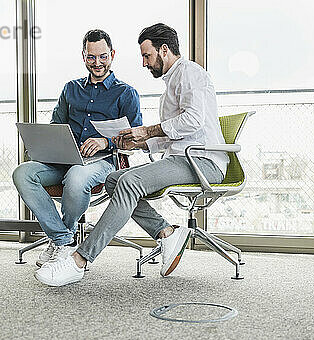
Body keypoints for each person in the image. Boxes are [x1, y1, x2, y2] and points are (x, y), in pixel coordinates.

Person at [34, 23, 229, 287]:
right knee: (115, 179)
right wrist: (138, 142)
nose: (145, 63)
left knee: (129, 182)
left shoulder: (190, 73)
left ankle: (79, 260)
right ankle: (166, 233)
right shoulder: (172, 81)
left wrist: (148, 131)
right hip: (182, 156)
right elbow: (175, 134)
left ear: (164, 50)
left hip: (202, 161)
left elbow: (192, 121)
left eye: (147, 56)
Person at [13, 29, 142, 267]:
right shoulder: (71, 89)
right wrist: (48, 144)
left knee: (76, 176)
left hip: (102, 162)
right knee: (22, 173)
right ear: (84, 56)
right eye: (91, 57)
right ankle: (62, 239)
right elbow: (56, 125)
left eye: (103, 56)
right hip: (64, 158)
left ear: (112, 55)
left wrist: (106, 141)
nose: (97, 63)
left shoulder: (126, 93)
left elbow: (136, 137)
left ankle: (63, 237)